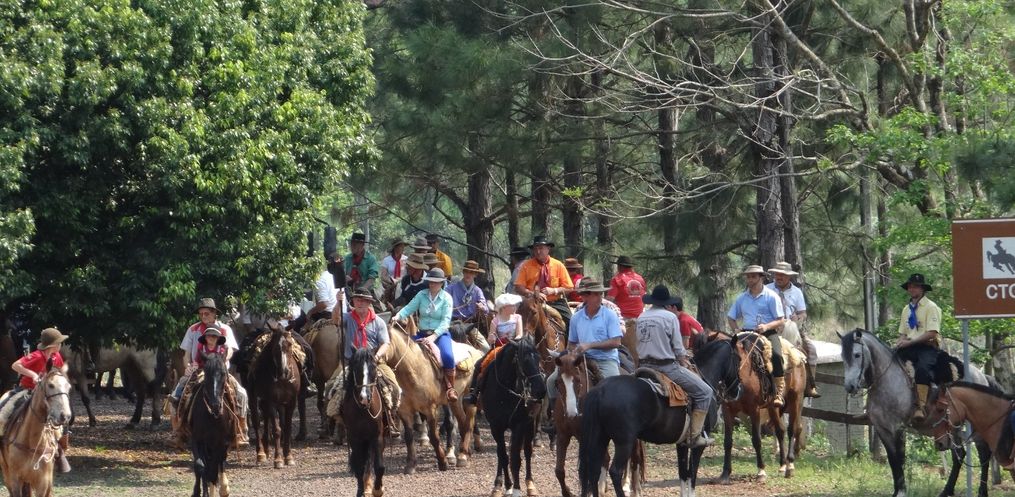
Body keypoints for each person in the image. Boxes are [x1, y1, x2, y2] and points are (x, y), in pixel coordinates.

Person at [637, 285, 713, 447]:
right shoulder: (670, 317)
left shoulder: (641, 317)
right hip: (666, 367)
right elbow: (678, 348)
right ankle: (694, 436)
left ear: (652, 301)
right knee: (705, 392)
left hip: (642, 366)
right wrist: (683, 358)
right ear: (666, 302)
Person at [543, 277, 622, 431]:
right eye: (595, 294)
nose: (599, 297)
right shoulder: (576, 318)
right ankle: (556, 417)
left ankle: (616, 421)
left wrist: (590, 345)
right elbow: (571, 342)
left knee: (614, 388)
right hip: (580, 359)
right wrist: (574, 352)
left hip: (605, 360)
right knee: (551, 381)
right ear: (584, 296)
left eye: (600, 294)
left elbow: (616, 342)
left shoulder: (609, 315)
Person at [174, 298, 248, 446]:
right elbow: (186, 354)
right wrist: (188, 366)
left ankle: (241, 430)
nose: (203, 316)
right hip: (198, 370)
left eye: (206, 313)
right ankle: (178, 430)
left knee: (241, 394)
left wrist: (222, 361)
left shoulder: (225, 329)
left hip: (219, 371)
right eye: (201, 314)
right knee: (177, 394)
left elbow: (230, 350)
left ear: (214, 313)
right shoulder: (193, 329)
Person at [1, 327, 71, 472]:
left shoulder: (57, 356)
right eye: (59, 342)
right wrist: (32, 375)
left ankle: (60, 450)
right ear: (53, 345)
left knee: (64, 415)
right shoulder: (37, 356)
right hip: (26, 390)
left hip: (47, 394)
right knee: (3, 412)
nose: (61, 345)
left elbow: (58, 373)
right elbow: (15, 365)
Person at [341, 288, 401, 437]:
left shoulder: (378, 322)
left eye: (363, 300)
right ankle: (335, 423)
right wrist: (338, 302)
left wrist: (377, 356)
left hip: (374, 362)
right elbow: (335, 318)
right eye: (357, 300)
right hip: (352, 362)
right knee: (332, 387)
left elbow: (385, 343)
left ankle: (390, 419)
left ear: (369, 303)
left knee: (394, 387)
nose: (360, 303)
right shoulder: (347, 318)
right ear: (353, 302)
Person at [393, 268, 458, 401]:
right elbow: (409, 308)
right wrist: (397, 316)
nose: (432, 284)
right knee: (404, 351)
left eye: (435, 282)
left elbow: (445, 322)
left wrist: (433, 337)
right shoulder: (421, 294)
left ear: (441, 283)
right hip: (421, 333)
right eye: (430, 281)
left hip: (440, 335)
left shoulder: (447, 298)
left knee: (448, 356)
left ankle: (450, 387)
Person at [726, 265, 787, 407]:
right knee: (729, 353)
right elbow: (731, 317)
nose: (750, 279)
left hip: (767, 333)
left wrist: (766, 326)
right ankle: (728, 387)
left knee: (776, 355)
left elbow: (780, 320)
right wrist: (735, 329)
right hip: (746, 333)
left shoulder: (771, 296)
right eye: (748, 277)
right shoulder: (741, 298)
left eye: (753, 276)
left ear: (761, 278)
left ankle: (779, 391)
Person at [895, 273, 943, 423]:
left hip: (927, 347)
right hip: (909, 346)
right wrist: (900, 342)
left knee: (922, 369)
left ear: (922, 289)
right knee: (889, 362)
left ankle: (920, 406)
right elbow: (903, 333)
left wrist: (909, 342)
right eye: (910, 286)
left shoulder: (931, 307)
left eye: (915, 286)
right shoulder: (906, 309)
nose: (912, 289)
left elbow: (932, 333)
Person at [767, 262, 820, 398]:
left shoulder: (797, 292)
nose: (779, 277)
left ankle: (810, 384)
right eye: (777, 274)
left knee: (811, 350)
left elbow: (803, 313)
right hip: (771, 328)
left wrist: (798, 317)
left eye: (782, 275)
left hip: (792, 328)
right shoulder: (767, 290)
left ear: (789, 276)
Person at [462, 293, 524, 405]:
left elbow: (520, 334)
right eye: (512, 305)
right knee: (479, 364)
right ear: (504, 307)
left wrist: (513, 341)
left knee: (530, 360)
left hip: (515, 345)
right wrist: (492, 338)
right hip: (499, 347)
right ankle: (474, 392)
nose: (515, 307)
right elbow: (491, 337)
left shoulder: (518, 317)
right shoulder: (495, 320)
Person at [514, 236, 574, 328]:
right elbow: (518, 287)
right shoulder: (526, 265)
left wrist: (554, 290)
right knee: (517, 323)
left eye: (541, 248)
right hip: (532, 303)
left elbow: (569, 287)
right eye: (535, 249)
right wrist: (533, 294)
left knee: (571, 322)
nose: (538, 251)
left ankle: (572, 337)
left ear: (548, 249)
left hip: (555, 303)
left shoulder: (558, 265)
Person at [607, 255, 647, 339]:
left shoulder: (617, 279)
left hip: (624, 318)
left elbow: (609, 300)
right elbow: (644, 298)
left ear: (620, 267)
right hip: (640, 316)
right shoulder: (640, 279)